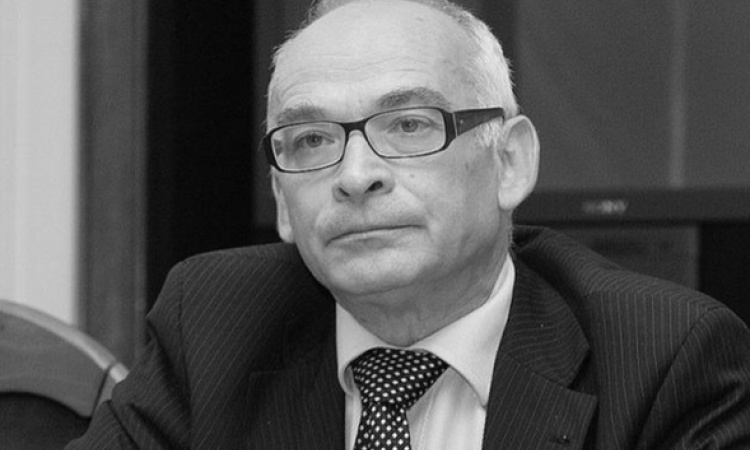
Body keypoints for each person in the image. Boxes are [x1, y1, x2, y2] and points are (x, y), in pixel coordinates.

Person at [68, 0, 750, 448]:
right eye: (311, 140)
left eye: (409, 126)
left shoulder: (664, 360)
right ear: (280, 198)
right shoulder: (212, 321)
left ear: (509, 162)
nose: (355, 174)